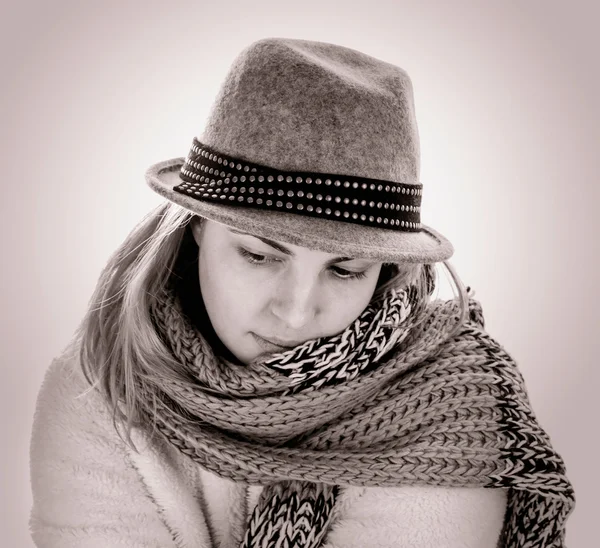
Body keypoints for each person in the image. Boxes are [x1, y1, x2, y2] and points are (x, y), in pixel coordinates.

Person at [29, 37, 574, 547]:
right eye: (260, 256)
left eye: (345, 271)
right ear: (197, 227)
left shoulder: (448, 406)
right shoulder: (101, 379)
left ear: (385, 269)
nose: (294, 313)